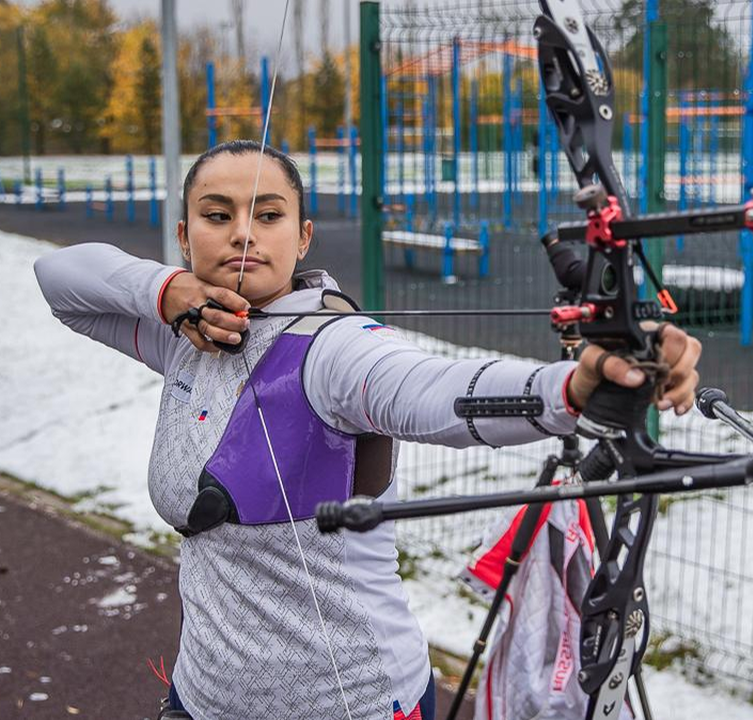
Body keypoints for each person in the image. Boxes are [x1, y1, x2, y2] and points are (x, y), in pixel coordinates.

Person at [34, 140, 702, 720]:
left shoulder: (333, 349)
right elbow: (59, 279)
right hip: (203, 695)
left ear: (301, 238)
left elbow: (433, 392)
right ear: (185, 237)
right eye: (217, 216)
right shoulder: (183, 335)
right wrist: (167, 292)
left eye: (268, 216)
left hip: (350, 703)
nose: (243, 234)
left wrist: (574, 388)